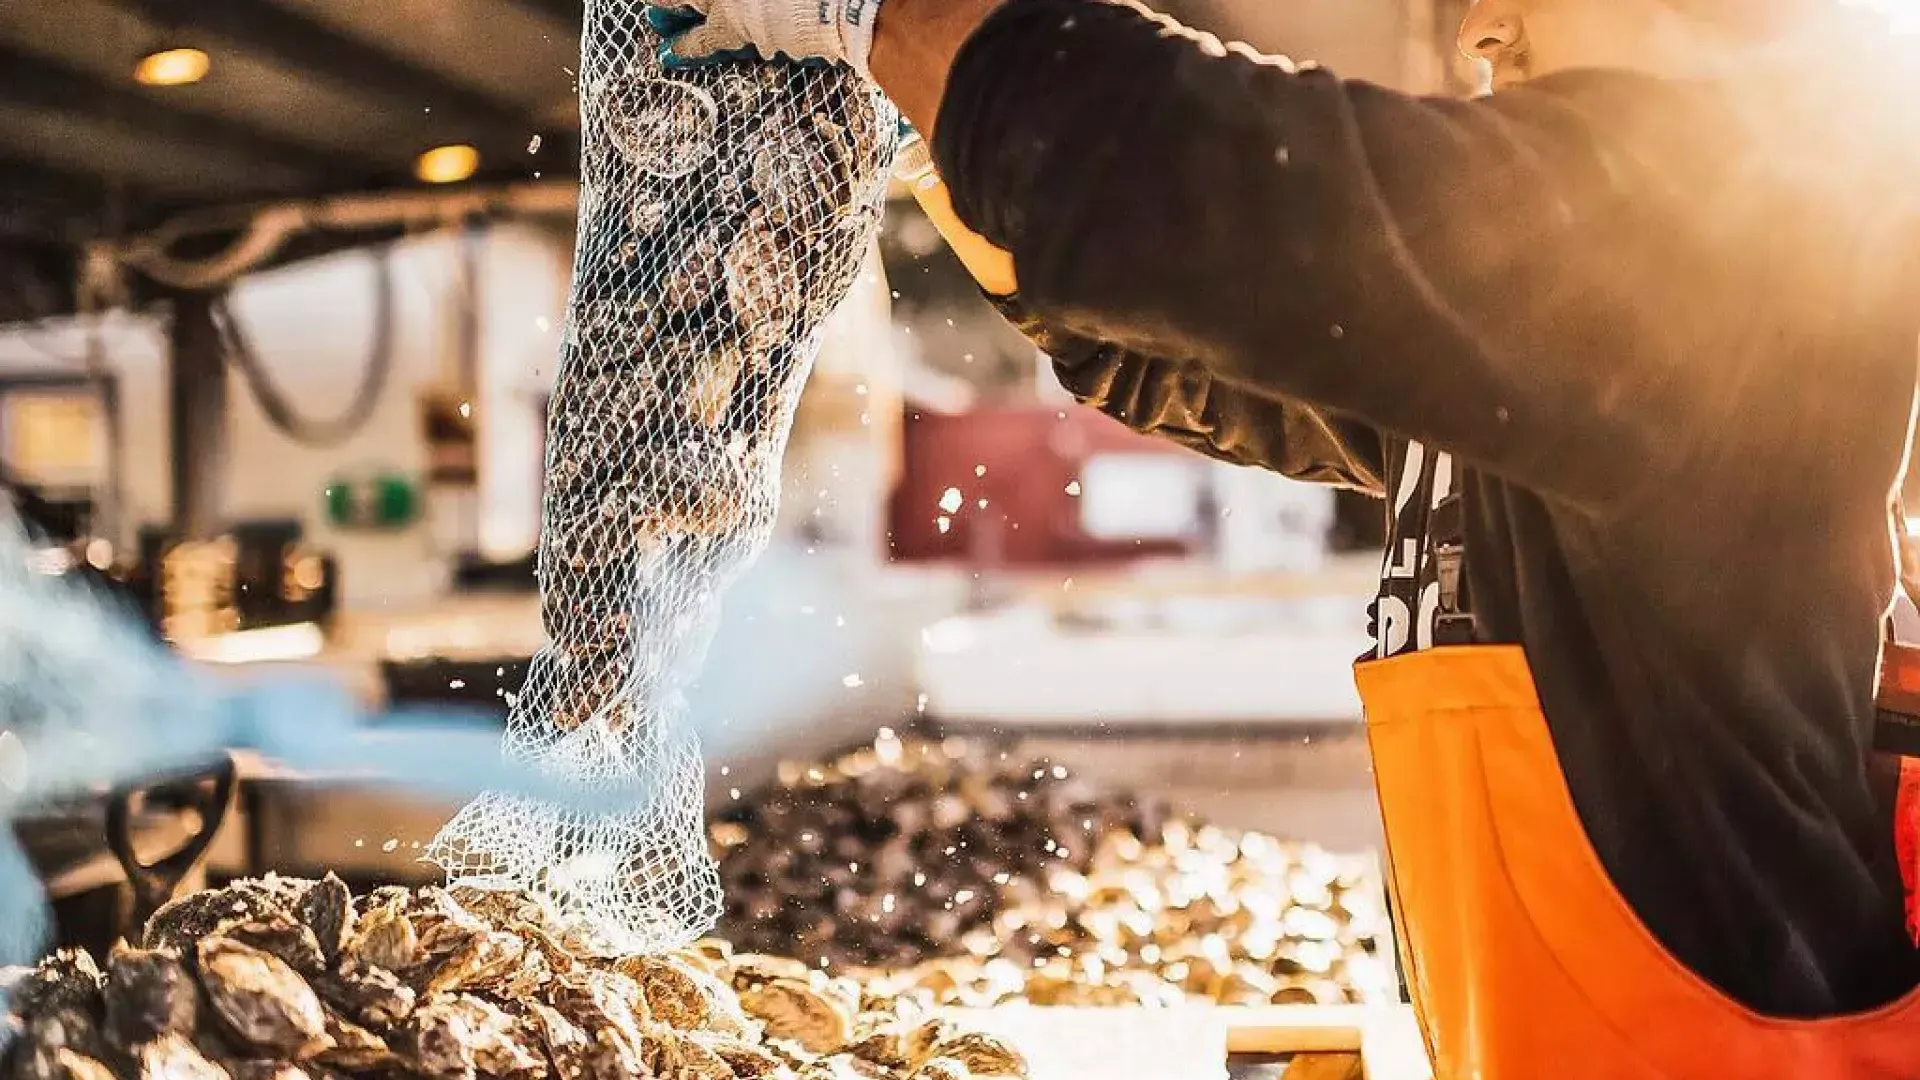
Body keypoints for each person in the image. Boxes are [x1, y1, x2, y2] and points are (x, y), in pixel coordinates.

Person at [647, 0, 1920, 1073]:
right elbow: (1172, 351)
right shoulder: (1577, 360)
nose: (1481, 33)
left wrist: (901, 16)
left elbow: (1227, 190)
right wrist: (936, 131)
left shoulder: (1716, 247)